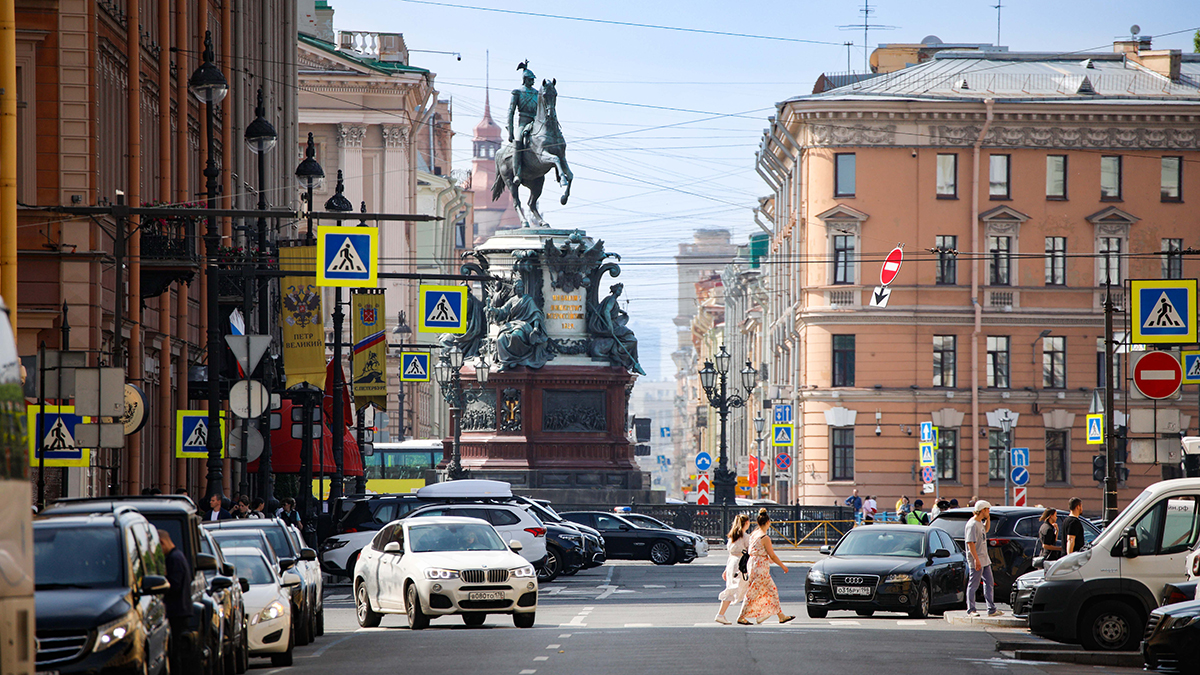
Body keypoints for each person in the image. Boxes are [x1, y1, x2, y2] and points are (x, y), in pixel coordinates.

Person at [736, 509, 795, 625]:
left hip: (753, 564)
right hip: (760, 568)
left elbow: (754, 551)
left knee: (770, 590)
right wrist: (783, 566)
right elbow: (772, 555)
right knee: (753, 592)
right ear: (768, 522)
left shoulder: (754, 534)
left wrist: (763, 558)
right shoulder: (765, 537)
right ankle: (741, 616)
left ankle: (780, 615)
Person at [160, 529, 193, 675]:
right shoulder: (178, 556)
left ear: (163, 543)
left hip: (177, 611)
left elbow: (174, 585)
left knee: (175, 652)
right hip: (180, 609)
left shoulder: (174, 559)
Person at [965, 500, 1000, 616]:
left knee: (989, 582)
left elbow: (986, 530)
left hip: (984, 558)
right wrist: (976, 559)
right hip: (977, 558)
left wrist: (988, 519)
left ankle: (991, 609)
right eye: (988, 510)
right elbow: (970, 543)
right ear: (983, 510)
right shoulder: (972, 524)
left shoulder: (979, 522)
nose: (989, 512)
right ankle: (971, 609)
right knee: (973, 584)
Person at [715, 514, 751, 624]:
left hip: (732, 564)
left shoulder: (732, 537)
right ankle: (722, 614)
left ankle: (741, 615)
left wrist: (726, 569)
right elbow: (750, 552)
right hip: (740, 565)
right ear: (746, 523)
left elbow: (730, 554)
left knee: (737, 588)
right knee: (740, 589)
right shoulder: (745, 537)